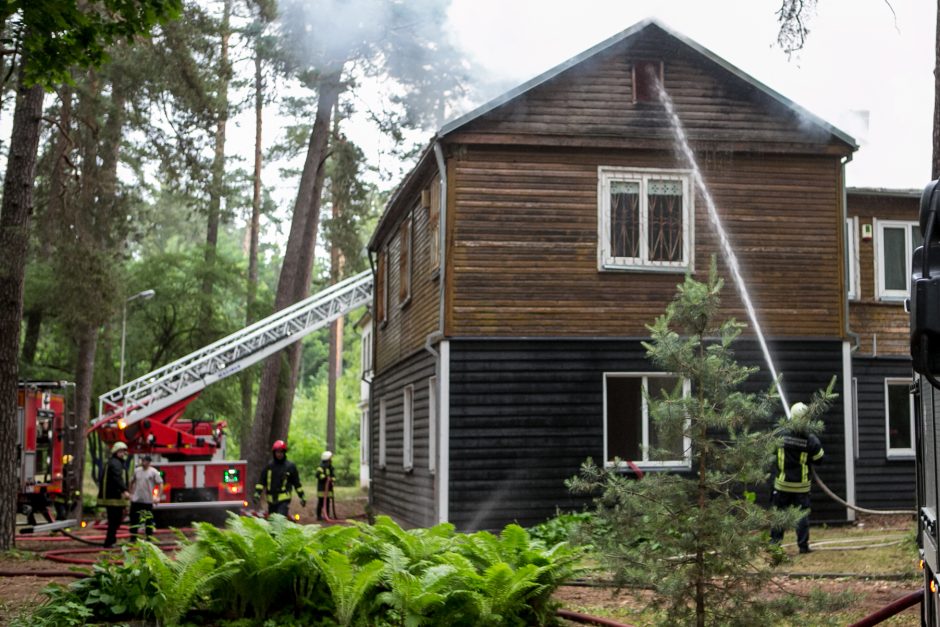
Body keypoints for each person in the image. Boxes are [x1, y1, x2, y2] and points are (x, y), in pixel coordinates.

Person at [770, 402, 825, 554]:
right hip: (801, 487)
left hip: (782, 485)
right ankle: (803, 547)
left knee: (779, 516)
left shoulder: (780, 434)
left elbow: (771, 451)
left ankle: (774, 545)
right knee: (801, 517)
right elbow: (820, 458)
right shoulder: (810, 439)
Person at [254, 440, 305, 517]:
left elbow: (296, 483)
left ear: (284, 452)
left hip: (284, 499)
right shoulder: (269, 467)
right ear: (274, 453)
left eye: (281, 452)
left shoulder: (290, 466)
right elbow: (261, 482)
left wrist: (302, 496)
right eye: (277, 452)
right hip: (271, 500)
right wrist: (257, 493)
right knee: (273, 521)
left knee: (280, 520)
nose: (279, 454)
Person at [98, 441, 130, 548]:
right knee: (114, 520)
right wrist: (124, 490)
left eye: (124, 451)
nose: (123, 453)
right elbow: (117, 478)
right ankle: (109, 542)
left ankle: (111, 540)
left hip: (114, 497)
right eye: (121, 451)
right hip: (114, 497)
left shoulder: (115, 462)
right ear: (116, 452)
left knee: (115, 520)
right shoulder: (116, 463)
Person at [128, 455, 163, 541]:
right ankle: (133, 538)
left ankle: (149, 537)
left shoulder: (153, 472)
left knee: (148, 520)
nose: (144, 463)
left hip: (148, 500)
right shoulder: (137, 471)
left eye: (146, 461)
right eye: (143, 461)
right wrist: (130, 494)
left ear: (149, 462)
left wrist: (158, 496)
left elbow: (160, 483)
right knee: (134, 519)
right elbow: (131, 481)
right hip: (136, 499)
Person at [315, 451, 336, 521]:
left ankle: (327, 515)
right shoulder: (321, 467)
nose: (331, 460)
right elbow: (318, 475)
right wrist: (325, 478)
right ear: (327, 459)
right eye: (330, 458)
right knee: (321, 502)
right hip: (322, 488)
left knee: (327, 503)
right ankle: (318, 516)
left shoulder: (331, 467)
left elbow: (333, 476)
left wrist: (332, 479)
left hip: (329, 489)